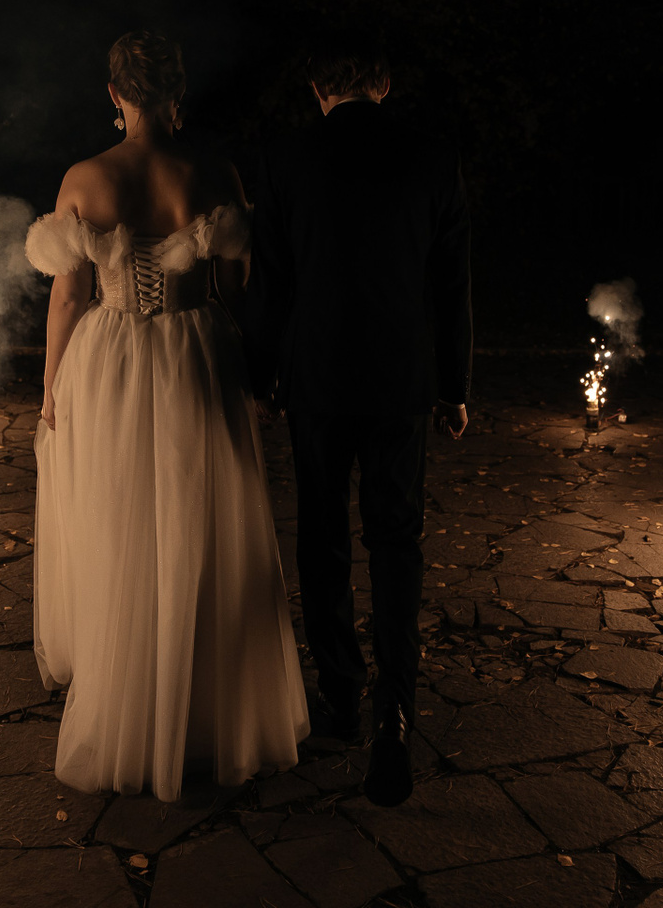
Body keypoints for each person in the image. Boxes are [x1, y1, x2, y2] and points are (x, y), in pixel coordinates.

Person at [24, 31, 308, 802]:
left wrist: (51, 388)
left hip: (109, 358)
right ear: (177, 95)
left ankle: (128, 699)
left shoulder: (85, 177)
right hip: (195, 353)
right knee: (199, 520)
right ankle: (203, 707)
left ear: (114, 94)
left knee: (118, 520)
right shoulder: (212, 171)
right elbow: (237, 290)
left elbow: (69, 296)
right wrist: (257, 370)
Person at [249, 41, 471, 807]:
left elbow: (272, 281)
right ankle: (394, 715)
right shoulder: (432, 159)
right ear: (384, 85)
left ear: (318, 88)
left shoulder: (285, 159)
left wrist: (261, 373)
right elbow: (451, 283)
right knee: (396, 543)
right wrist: (454, 386)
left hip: (316, 378)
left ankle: (341, 694)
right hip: (400, 380)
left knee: (323, 537)